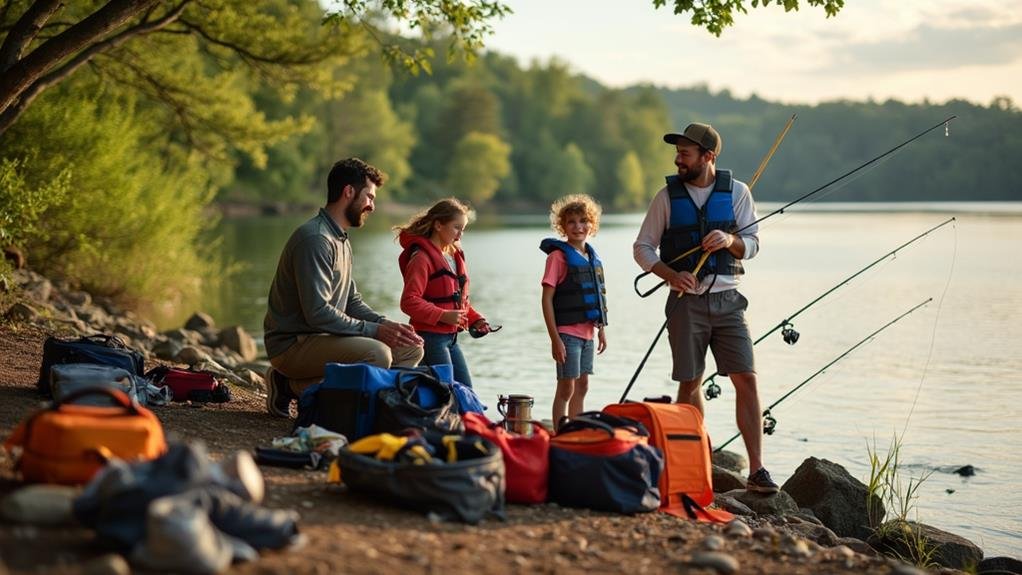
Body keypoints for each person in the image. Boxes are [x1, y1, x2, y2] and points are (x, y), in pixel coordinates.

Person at [632, 123, 779, 493]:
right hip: (686, 303)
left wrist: (730, 240)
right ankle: (692, 462)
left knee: (746, 377)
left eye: (685, 153)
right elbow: (643, 248)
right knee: (690, 382)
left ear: (708, 157)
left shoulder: (739, 193)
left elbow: (754, 245)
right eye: (678, 152)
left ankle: (757, 469)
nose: (678, 159)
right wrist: (668, 274)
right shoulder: (667, 196)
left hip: (730, 302)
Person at [262, 158, 424, 418]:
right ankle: (288, 385)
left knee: (410, 348)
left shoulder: (340, 239)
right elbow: (318, 313)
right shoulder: (316, 239)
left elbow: (351, 301)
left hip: (323, 338)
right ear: (348, 192)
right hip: (293, 344)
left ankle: (369, 409)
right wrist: (376, 332)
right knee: (377, 354)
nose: (372, 205)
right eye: (369, 196)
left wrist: (388, 326)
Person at [394, 198, 497, 387]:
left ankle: (467, 418)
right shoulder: (421, 259)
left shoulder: (452, 256)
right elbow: (409, 301)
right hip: (430, 338)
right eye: (456, 228)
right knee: (446, 392)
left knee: (466, 391)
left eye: (463, 229)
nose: (460, 235)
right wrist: (443, 315)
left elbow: (458, 301)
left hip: (451, 339)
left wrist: (475, 319)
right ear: (439, 225)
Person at [540, 194, 608, 429]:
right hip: (567, 334)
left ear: (592, 224)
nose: (578, 227)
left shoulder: (591, 257)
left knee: (583, 386)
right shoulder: (558, 257)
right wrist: (554, 339)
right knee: (566, 386)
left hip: (588, 334)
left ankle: (576, 430)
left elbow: (597, 299)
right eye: (571, 222)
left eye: (583, 221)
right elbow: (546, 299)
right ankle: (560, 432)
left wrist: (601, 330)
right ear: (562, 226)